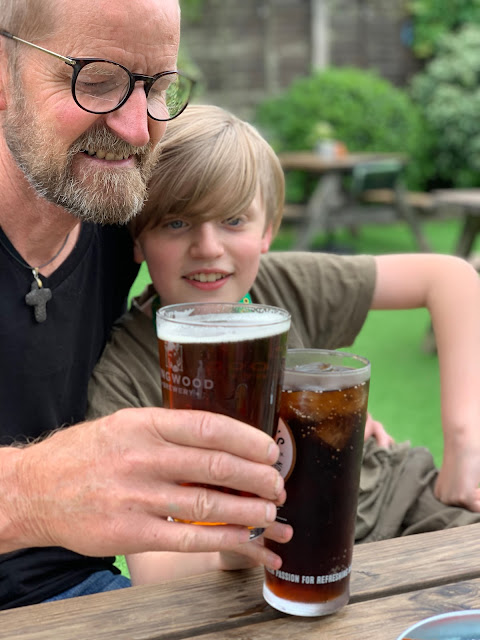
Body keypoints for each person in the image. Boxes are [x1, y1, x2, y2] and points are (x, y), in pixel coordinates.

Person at [87, 103, 480, 585]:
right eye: (176, 223)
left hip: (407, 505)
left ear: (268, 231)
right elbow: (153, 570)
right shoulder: (126, 371)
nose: (208, 246)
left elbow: (451, 278)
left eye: (233, 220)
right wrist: (232, 551)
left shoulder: (285, 286)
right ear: (137, 239)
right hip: (278, 573)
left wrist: (465, 448)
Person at [0, 2, 288, 610]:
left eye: (159, 87)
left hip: (88, 594)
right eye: (96, 81)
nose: (137, 129)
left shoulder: (120, 209)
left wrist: (300, 406)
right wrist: (28, 491)